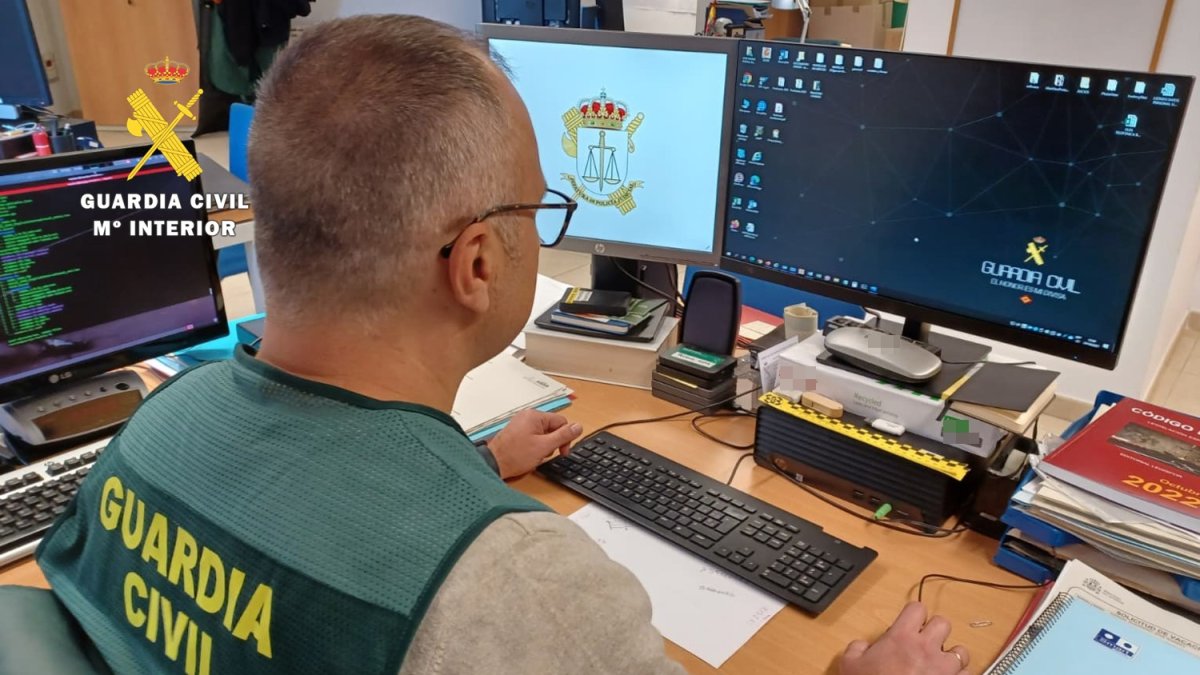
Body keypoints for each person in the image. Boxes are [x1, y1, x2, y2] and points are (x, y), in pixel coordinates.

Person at [36, 15, 970, 675]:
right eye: (538, 208)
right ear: (476, 261)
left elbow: (305, 505)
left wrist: (474, 464)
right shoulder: (522, 589)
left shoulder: (158, 426)